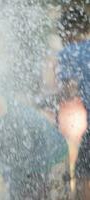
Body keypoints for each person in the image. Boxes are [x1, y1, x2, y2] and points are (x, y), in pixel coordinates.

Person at [0, 92, 68, 200]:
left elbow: (37, 160)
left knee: (49, 194)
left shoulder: (20, 120)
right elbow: (2, 163)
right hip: (34, 161)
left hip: (54, 155)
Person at [56, 6, 90, 199]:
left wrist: (48, 98)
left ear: (66, 32)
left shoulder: (69, 52)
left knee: (83, 175)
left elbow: (68, 91)